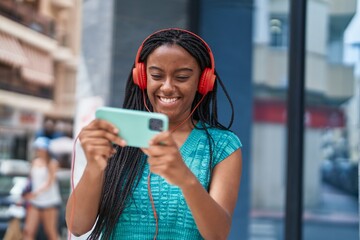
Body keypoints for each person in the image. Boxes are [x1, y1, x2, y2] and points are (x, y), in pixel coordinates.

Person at [66, 28, 243, 240]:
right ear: (141, 78)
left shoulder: (222, 146)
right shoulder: (117, 136)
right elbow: (77, 226)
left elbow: (218, 234)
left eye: (182, 77)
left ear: (203, 81)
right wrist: (94, 167)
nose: (167, 87)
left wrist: (185, 179)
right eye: (157, 76)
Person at [23, 136, 62, 240]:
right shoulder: (35, 161)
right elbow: (31, 181)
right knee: (28, 231)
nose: (38, 150)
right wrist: (26, 193)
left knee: (51, 232)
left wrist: (34, 193)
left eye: (39, 148)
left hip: (50, 202)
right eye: (37, 148)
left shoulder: (53, 163)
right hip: (35, 202)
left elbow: (50, 182)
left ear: (46, 149)